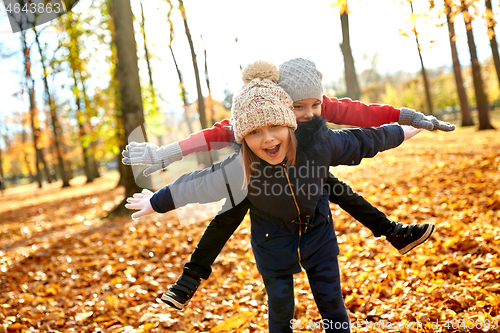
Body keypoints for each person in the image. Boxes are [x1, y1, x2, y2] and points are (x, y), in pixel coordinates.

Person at [122, 58, 447, 310]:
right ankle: (190, 278)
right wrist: (165, 158)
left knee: (337, 190)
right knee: (229, 213)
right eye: (297, 108)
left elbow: (362, 125)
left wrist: (408, 120)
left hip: (309, 183)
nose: (308, 113)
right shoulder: (260, 116)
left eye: (315, 105)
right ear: (281, 104)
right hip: (262, 189)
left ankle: (391, 231)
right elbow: (209, 151)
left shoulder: (316, 119)